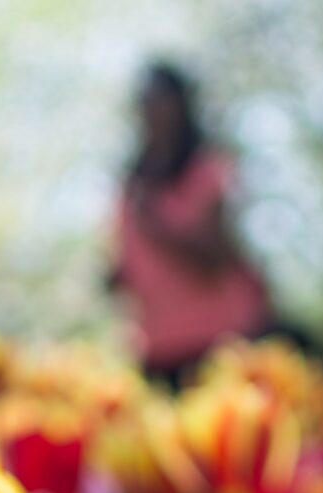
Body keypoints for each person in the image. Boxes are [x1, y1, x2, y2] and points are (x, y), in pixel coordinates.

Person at [111, 63, 273, 388]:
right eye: (146, 101)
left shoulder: (207, 168)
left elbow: (213, 259)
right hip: (156, 348)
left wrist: (157, 227)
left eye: (161, 100)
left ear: (182, 104)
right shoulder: (131, 185)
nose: (152, 110)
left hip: (218, 343)